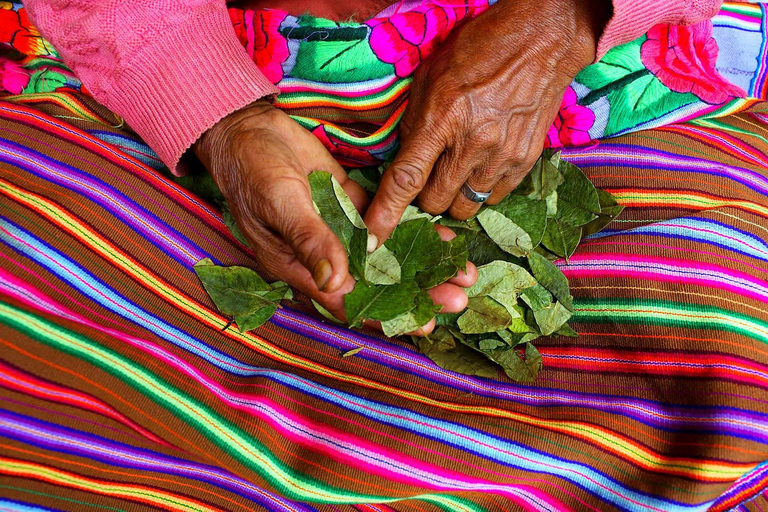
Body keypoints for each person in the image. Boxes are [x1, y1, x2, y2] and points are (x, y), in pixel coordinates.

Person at [0, 0, 766, 509]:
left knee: (719, 353)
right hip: (186, 63)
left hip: (607, 73)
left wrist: (566, 20)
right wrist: (217, 116)